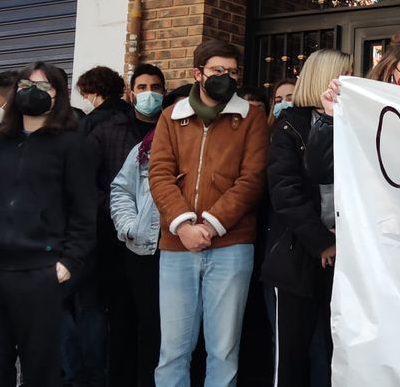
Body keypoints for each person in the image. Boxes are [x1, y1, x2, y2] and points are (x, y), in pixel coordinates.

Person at [0, 62, 98, 387]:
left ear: (59, 95)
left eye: (44, 87)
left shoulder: (74, 145)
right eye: (26, 86)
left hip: (40, 271)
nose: (33, 93)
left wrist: (69, 262)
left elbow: (86, 209)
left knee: (40, 369)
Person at [150, 40, 269, 387]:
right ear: (197, 73)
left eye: (232, 72)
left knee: (224, 350)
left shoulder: (251, 117)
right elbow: (159, 174)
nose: (226, 77)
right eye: (218, 70)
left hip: (232, 245)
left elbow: (252, 179)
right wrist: (184, 225)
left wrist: (212, 225)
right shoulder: (170, 118)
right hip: (177, 245)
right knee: (173, 351)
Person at [263, 50, 352, 387]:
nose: (349, 81)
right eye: (344, 74)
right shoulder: (288, 127)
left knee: (334, 354)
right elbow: (285, 193)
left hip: (343, 257)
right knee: (291, 357)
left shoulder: (353, 120)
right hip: (294, 257)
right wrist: (322, 242)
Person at [101, 63, 167, 387]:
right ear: (130, 93)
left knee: (153, 327)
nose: (148, 94)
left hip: (159, 247)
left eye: (155, 87)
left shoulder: (173, 129)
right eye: (142, 88)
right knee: (122, 324)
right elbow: (111, 186)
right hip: (120, 243)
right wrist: (125, 226)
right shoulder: (110, 128)